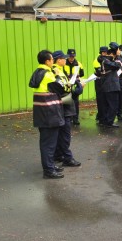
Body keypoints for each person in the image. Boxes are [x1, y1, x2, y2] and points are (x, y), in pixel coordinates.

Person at [28, 50, 66, 179]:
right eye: (51, 60)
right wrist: (58, 75)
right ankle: (48, 170)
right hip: (50, 113)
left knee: (47, 142)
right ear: (47, 61)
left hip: (42, 113)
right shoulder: (49, 75)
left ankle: (50, 166)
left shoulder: (37, 72)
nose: (53, 62)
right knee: (49, 143)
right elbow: (62, 88)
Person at [51, 50, 82, 169]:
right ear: (59, 60)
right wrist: (74, 91)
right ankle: (67, 157)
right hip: (64, 105)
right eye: (64, 58)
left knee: (61, 132)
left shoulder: (59, 70)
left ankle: (58, 154)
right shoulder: (56, 71)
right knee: (65, 133)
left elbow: (65, 85)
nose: (66, 59)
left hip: (65, 104)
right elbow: (62, 88)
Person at [62, 49, 82, 125]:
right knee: (67, 102)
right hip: (66, 85)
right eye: (70, 56)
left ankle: (75, 119)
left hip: (75, 85)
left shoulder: (78, 64)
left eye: (73, 56)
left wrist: (80, 82)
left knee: (76, 102)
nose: (72, 58)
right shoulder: (64, 63)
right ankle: (68, 119)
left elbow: (81, 74)